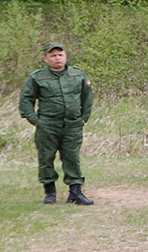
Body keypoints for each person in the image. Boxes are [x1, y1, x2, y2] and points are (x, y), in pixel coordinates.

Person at [18, 41, 95, 205]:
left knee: (72, 158)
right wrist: (36, 121)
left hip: (72, 125)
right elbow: (25, 101)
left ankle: (75, 193)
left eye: (60, 55)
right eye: (53, 55)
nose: (57, 58)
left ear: (65, 56)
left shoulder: (77, 74)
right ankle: (50, 193)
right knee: (46, 158)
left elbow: (87, 97)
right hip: (47, 125)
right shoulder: (37, 77)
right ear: (46, 58)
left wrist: (84, 117)